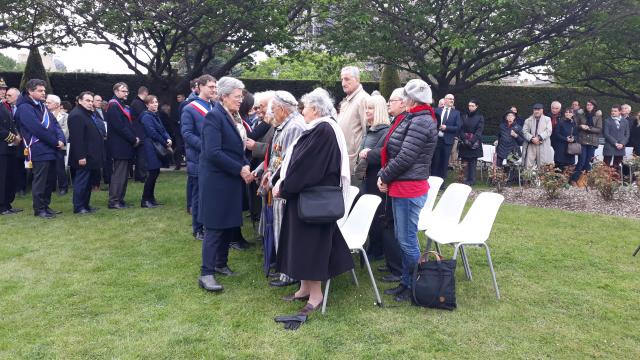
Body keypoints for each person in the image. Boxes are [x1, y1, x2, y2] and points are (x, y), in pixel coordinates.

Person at [272, 88, 353, 315]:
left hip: (314, 202)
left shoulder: (324, 130)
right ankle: (304, 288)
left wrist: (285, 188)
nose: (302, 111)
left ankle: (316, 295)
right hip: (305, 199)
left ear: (316, 110)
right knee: (301, 246)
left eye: (305, 107)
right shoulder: (319, 129)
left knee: (311, 248)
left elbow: (307, 167)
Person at [378, 79, 438, 302]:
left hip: (409, 188)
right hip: (403, 185)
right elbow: (397, 151)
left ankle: (414, 285)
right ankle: (406, 282)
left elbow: (405, 157)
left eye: (404, 97)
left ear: (411, 100)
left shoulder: (421, 121)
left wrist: (384, 175)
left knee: (407, 240)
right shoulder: (415, 117)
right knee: (404, 238)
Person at [198, 76, 253, 292]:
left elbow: (235, 149)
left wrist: (245, 164)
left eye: (241, 96)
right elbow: (213, 153)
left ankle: (221, 264)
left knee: (228, 223)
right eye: (237, 97)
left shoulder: (231, 116)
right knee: (214, 227)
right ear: (224, 96)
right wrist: (239, 168)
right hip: (216, 181)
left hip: (229, 179)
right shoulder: (214, 117)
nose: (241, 100)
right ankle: (206, 273)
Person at [254, 90, 307, 288]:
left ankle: (289, 273)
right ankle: (285, 270)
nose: (272, 113)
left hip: (282, 187)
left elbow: (287, 160)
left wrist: (272, 178)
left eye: (274, 109)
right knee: (279, 227)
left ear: (283, 109)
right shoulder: (286, 125)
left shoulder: (293, 126)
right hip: (278, 184)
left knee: (283, 229)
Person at [14, 79, 66, 218]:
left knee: (49, 181)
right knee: (40, 181)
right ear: (30, 91)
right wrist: (55, 142)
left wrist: (61, 139)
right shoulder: (24, 108)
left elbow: (55, 124)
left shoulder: (42, 106)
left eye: (44, 90)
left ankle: (46, 206)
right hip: (38, 148)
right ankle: (39, 209)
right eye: (40, 91)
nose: (44, 93)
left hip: (50, 148)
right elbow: (37, 129)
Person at [181, 75, 217, 240]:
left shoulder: (215, 106)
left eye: (215, 87)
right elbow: (187, 134)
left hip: (214, 159)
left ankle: (209, 223)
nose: (214, 89)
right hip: (198, 158)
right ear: (200, 86)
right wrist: (205, 148)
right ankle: (197, 228)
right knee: (198, 196)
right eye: (210, 86)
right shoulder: (190, 108)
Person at [356, 94, 390, 261]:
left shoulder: (385, 130)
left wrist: (369, 154)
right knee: (370, 215)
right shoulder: (371, 129)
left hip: (375, 177)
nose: (367, 111)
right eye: (366, 107)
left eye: (370, 108)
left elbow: (384, 154)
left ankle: (377, 250)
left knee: (376, 215)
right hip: (367, 176)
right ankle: (372, 247)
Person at [68, 91, 104, 214]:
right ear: (80, 101)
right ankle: (79, 207)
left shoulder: (87, 114)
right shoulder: (77, 115)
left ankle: (85, 205)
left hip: (91, 155)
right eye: (87, 100)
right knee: (81, 182)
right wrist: (81, 156)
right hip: (83, 156)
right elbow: (77, 138)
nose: (90, 103)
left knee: (88, 182)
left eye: (91, 101)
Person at [106, 82, 140, 209]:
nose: (126, 93)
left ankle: (120, 199)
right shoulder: (114, 105)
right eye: (123, 91)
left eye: (127, 91)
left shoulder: (120, 104)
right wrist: (133, 139)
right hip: (119, 145)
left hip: (124, 144)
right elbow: (120, 126)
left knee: (124, 174)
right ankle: (114, 200)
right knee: (119, 173)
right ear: (116, 91)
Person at [139, 95, 172, 208]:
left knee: (155, 172)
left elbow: (162, 129)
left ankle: (151, 199)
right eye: (152, 103)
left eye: (156, 102)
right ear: (147, 105)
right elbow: (152, 132)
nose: (155, 104)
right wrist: (165, 142)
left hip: (156, 145)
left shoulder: (155, 115)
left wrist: (168, 138)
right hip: (150, 146)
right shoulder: (146, 116)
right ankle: (145, 200)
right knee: (152, 173)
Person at [337, 66, 369, 171]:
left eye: (347, 79)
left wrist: (360, 163)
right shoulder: (348, 100)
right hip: (344, 159)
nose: (343, 83)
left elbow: (368, 133)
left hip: (353, 163)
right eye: (342, 79)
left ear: (357, 79)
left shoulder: (363, 99)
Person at [0, 78, 23, 215]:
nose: (3, 91)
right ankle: (2, 206)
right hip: (1, 148)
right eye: (1, 89)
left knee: (9, 177)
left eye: (4, 89)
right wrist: (13, 138)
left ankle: (7, 203)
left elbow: (11, 124)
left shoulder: (4, 105)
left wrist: (17, 135)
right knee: (2, 178)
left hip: (9, 148)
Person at [570, 99, 602, 184]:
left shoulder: (598, 116)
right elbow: (576, 126)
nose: (589, 106)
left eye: (591, 105)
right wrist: (581, 126)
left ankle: (584, 181)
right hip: (582, 141)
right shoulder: (581, 114)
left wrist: (589, 128)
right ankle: (573, 179)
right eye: (588, 104)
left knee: (588, 162)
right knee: (581, 161)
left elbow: (599, 129)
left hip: (592, 142)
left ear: (594, 106)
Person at [431, 93, 461, 181]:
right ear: (445, 100)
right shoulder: (437, 110)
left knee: (444, 162)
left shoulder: (456, 113)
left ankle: (442, 182)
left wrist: (446, 127)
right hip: (436, 140)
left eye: (453, 99)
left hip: (447, 141)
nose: (452, 100)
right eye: (450, 99)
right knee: (435, 161)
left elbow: (458, 127)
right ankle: (433, 181)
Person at [45, 94, 69, 195]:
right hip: (47, 145)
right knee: (49, 167)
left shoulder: (65, 116)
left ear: (56, 104)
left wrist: (57, 140)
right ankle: (51, 187)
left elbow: (65, 131)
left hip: (59, 146)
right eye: (46, 102)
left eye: (49, 102)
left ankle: (63, 187)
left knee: (60, 167)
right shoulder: (43, 114)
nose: (46, 104)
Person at [458, 99, 484, 185]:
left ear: (476, 106)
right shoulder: (464, 116)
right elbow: (460, 129)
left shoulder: (480, 117)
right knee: (464, 161)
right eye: (469, 105)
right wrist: (465, 139)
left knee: (472, 162)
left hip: (474, 143)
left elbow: (479, 131)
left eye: (472, 106)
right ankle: (463, 179)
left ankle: (471, 180)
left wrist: (471, 141)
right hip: (464, 142)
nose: (470, 107)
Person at [522, 103, 554, 170]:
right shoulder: (528, 120)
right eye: (535, 109)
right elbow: (524, 131)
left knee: (544, 165)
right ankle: (528, 180)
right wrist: (532, 139)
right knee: (528, 164)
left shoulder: (547, 119)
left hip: (543, 143)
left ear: (542, 110)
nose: (536, 111)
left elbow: (549, 131)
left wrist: (539, 138)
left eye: (538, 109)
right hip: (531, 144)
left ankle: (542, 180)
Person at [129, 86, 149, 182]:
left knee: (140, 156)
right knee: (142, 156)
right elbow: (144, 117)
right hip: (140, 133)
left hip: (137, 132)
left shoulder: (135, 102)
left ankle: (139, 175)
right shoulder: (139, 104)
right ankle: (142, 176)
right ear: (145, 93)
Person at [90, 94, 109, 190]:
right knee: (95, 163)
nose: (99, 102)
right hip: (95, 141)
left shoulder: (105, 111)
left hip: (105, 140)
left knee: (105, 161)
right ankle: (95, 185)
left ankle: (106, 180)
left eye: (101, 100)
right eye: (97, 100)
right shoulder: (90, 112)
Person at [602, 105, 630, 170]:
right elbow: (606, 134)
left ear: (620, 111)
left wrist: (622, 144)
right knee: (606, 166)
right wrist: (615, 143)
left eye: (615, 111)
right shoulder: (607, 121)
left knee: (617, 167)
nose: (613, 112)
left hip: (620, 147)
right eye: (612, 111)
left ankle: (616, 180)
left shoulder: (625, 121)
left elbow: (627, 134)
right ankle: (605, 180)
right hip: (609, 146)